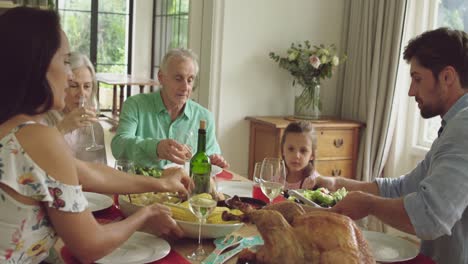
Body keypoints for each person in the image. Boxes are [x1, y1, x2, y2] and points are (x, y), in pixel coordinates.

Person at [0, 7, 191, 264]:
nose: (69, 76)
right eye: (65, 61)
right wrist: (146, 214)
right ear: (38, 65)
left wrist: (161, 183)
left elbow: (87, 172)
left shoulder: (14, 129)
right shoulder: (40, 137)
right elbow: (90, 246)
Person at [309, 28, 468, 263]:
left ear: (447, 77)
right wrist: (337, 183)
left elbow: (430, 216)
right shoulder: (454, 124)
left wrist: (369, 205)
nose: (411, 91)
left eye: (417, 79)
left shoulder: (464, 125)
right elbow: (405, 187)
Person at [111, 48, 229, 170]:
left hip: (185, 187)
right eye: (178, 79)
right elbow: (118, 146)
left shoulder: (204, 117)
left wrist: (214, 161)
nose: (185, 87)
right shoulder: (135, 105)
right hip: (141, 186)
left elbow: (210, 156)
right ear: (161, 77)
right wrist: (156, 148)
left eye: (190, 80)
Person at [42, 52, 107, 164]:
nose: (81, 93)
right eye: (74, 85)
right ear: (62, 85)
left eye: (87, 86)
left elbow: (101, 170)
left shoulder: (95, 128)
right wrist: (62, 128)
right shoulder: (42, 122)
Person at [281, 121, 319, 189]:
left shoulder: (314, 182)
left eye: (303, 150)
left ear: (312, 155)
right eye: (291, 149)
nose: (296, 155)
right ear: (283, 150)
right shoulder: (278, 176)